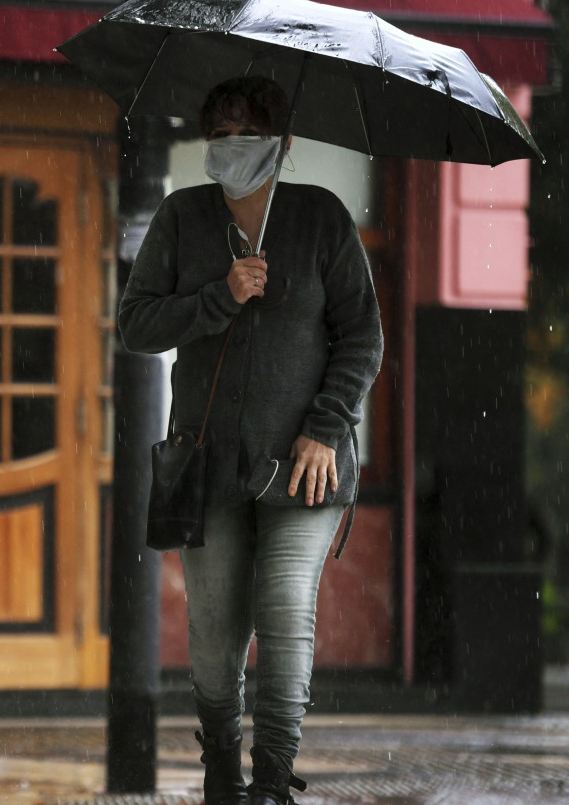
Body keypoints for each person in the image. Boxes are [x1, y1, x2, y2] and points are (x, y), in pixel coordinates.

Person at [118, 76, 383, 805]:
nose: (232, 146)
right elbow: (136, 324)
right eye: (220, 134)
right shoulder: (182, 218)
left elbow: (363, 337)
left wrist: (325, 428)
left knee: (286, 606)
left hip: (304, 467)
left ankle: (271, 780)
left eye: (249, 133)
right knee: (213, 632)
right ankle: (221, 766)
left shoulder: (321, 218)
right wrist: (220, 296)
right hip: (207, 464)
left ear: (282, 144)